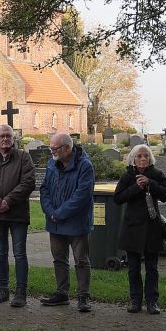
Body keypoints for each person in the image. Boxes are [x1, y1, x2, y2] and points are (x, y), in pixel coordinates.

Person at [0, 124, 36, 307]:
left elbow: (28, 182)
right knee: (0, 253)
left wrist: (8, 202)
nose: (5, 139)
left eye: (8, 136)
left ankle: (20, 292)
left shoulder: (23, 157)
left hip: (17, 213)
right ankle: (2, 289)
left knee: (19, 254)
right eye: (1, 136)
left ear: (13, 138)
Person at [39, 133, 96, 312]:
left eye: (54, 148)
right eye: (51, 148)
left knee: (81, 260)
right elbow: (44, 189)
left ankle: (83, 297)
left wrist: (59, 214)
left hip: (77, 223)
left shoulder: (85, 166)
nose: (52, 152)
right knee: (59, 259)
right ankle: (62, 293)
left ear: (67, 148)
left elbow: (82, 196)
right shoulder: (52, 164)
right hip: (55, 222)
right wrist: (50, 212)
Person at [114, 144, 166, 314]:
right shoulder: (127, 176)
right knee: (133, 268)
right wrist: (136, 187)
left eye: (146, 155)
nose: (143, 159)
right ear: (133, 159)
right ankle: (135, 300)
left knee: (152, 268)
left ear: (150, 158)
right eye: (139, 156)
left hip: (152, 227)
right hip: (132, 227)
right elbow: (118, 198)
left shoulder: (157, 174)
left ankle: (152, 301)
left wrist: (150, 183)